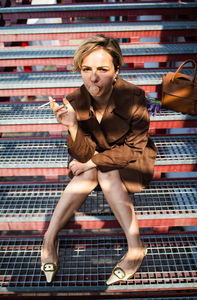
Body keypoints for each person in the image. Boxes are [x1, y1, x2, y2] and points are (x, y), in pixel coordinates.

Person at [41, 34, 157, 285]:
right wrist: (72, 126)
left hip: (131, 161)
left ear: (116, 71)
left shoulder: (134, 96)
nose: (93, 78)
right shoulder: (74, 101)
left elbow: (134, 148)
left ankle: (135, 246)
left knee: (101, 170)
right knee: (93, 169)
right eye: (86, 69)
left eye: (102, 69)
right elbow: (82, 152)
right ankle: (49, 239)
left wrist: (92, 161)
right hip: (93, 158)